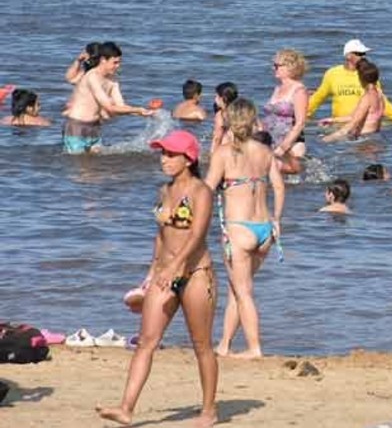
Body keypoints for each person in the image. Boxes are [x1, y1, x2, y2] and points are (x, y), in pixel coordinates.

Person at [96, 130, 217, 427]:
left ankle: (209, 411)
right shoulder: (165, 191)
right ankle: (126, 408)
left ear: (188, 159)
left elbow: (197, 232)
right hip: (164, 274)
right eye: (162, 153)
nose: (164, 159)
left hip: (196, 273)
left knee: (201, 345)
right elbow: (162, 235)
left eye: (170, 154)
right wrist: (152, 271)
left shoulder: (201, 191)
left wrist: (177, 265)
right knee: (146, 342)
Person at [204, 99, 285, 358]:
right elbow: (280, 187)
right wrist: (277, 219)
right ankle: (225, 345)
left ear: (228, 120)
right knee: (237, 289)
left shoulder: (224, 153)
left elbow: (206, 189)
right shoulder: (264, 151)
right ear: (253, 121)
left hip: (238, 229)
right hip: (264, 228)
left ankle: (254, 348)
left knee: (243, 291)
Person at [63, 42, 154, 154]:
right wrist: (137, 110)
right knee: (78, 165)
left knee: (95, 166)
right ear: (103, 60)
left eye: (119, 62)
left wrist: (143, 112)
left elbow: (120, 106)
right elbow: (109, 107)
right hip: (77, 126)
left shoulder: (113, 79)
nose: (118, 66)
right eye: (115, 62)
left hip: (95, 127)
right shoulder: (92, 77)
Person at [306, 39, 392, 122]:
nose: (363, 57)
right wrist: (303, 113)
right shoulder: (333, 74)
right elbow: (318, 97)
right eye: (359, 54)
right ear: (348, 55)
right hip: (338, 123)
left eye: (364, 54)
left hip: (363, 122)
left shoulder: (367, 74)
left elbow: (381, 101)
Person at [262, 49, 309, 174]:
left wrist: (284, 147)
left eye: (277, 66)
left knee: (291, 184)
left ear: (289, 67)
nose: (274, 68)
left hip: (291, 145)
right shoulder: (277, 89)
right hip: (272, 141)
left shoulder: (299, 90)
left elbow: (300, 122)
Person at [321, 59, 386, 141]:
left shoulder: (367, 98)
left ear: (360, 78)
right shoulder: (380, 95)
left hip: (365, 139)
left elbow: (353, 124)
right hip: (376, 135)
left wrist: (328, 139)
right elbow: (363, 117)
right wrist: (333, 120)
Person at [209, 82, 239, 154]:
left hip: (225, 149)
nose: (215, 99)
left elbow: (217, 138)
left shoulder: (220, 115)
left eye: (216, 96)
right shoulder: (240, 110)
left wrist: (212, 154)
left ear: (223, 98)